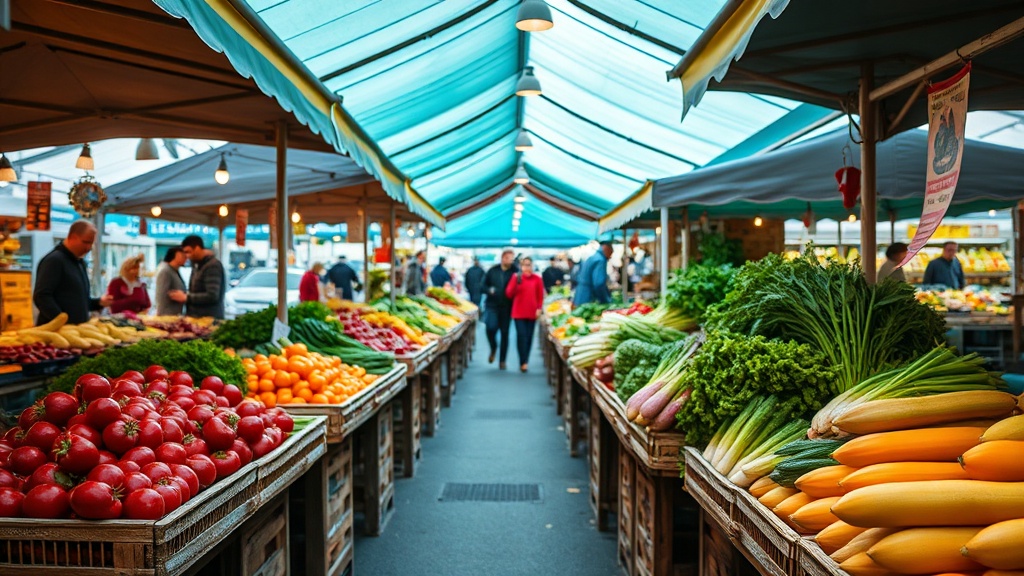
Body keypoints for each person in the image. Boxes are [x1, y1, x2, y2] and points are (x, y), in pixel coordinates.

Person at [33, 220, 114, 325]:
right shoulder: (54, 260)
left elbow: (80, 301)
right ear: (72, 237)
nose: (88, 248)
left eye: (91, 243)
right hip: (56, 333)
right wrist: (61, 320)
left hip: (76, 331)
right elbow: (41, 296)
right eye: (85, 242)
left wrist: (99, 302)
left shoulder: (80, 263)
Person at [169, 235, 226, 319]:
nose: (187, 256)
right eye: (185, 253)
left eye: (188, 252)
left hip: (208, 319)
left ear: (198, 248)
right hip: (197, 318)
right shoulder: (197, 265)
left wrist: (186, 297)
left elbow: (212, 296)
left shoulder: (212, 266)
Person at [505, 257, 545, 373]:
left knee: (529, 337)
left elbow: (540, 295)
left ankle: (526, 359)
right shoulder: (516, 277)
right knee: (521, 336)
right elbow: (508, 293)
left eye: (529, 265)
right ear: (521, 266)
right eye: (525, 265)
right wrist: (515, 283)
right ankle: (523, 361)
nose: (527, 267)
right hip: (519, 312)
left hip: (532, 312)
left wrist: (539, 308)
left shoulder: (537, 279)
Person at [483, 248, 517, 369]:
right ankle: (493, 347)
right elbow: (483, 286)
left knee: (505, 333)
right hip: (492, 305)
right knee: (490, 328)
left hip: (507, 307)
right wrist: (489, 290)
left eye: (512, 258)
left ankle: (502, 360)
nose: (511, 261)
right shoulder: (492, 271)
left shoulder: (515, 271)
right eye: (508, 258)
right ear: (503, 258)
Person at [573, 241, 613, 306]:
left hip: (580, 294)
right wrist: (605, 300)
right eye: (611, 254)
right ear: (607, 249)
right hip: (588, 298)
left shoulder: (593, 257)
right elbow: (598, 283)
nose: (610, 257)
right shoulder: (600, 260)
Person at [155, 247, 187, 315]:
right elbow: (161, 295)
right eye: (182, 256)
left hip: (176, 314)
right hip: (167, 315)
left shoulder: (175, 271)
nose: (186, 258)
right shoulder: (165, 271)